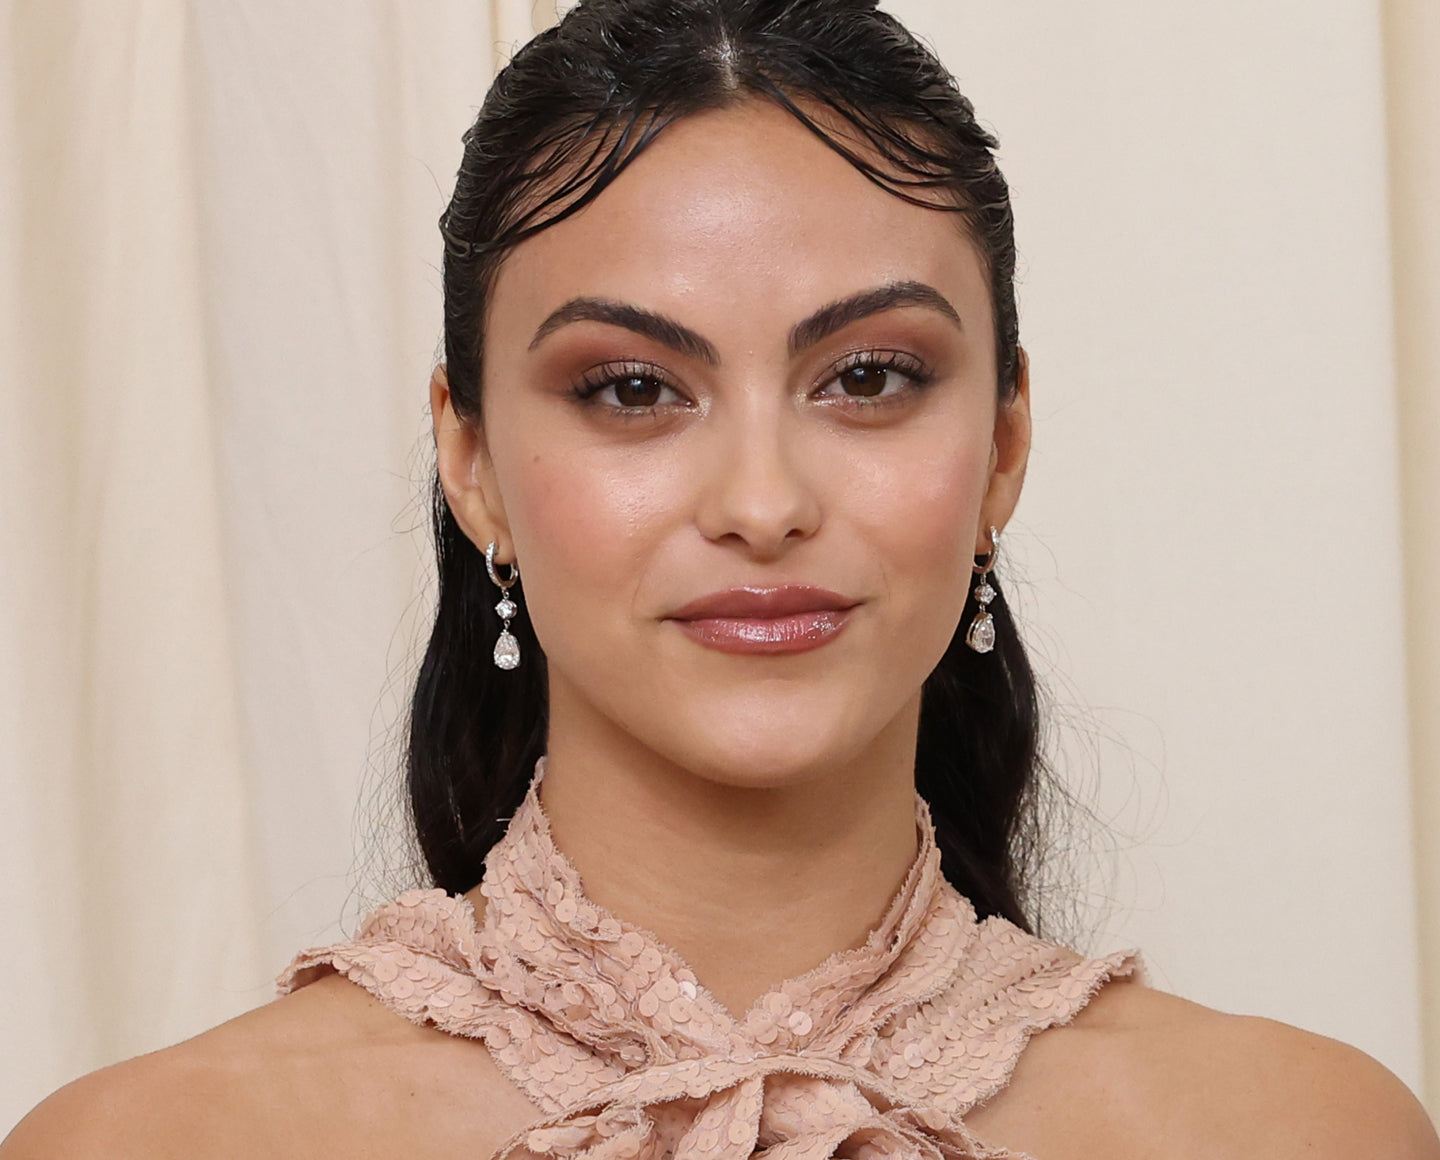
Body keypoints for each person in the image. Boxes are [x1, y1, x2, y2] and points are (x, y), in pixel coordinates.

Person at [4, 0, 1436, 1156]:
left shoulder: (1304, 1133)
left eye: (868, 377)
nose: (763, 504)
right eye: (632, 389)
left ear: (1004, 443)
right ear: (471, 458)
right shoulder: (152, 1143)